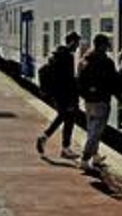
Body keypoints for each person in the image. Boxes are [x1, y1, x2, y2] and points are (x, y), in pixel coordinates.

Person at [36, 31, 85, 160]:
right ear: (72, 42)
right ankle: (60, 145)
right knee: (67, 118)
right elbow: (67, 79)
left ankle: (51, 141)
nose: (78, 47)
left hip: (57, 94)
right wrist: (72, 98)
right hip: (65, 95)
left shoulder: (57, 54)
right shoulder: (67, 56)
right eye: (77, 44)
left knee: (64, 117)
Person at [76, 33, 119, 170]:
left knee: (92, 128)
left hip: (89, 101)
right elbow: (114, 82)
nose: (107, 48)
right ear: (102, 46)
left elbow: (79, 81)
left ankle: (95, 157)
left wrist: (86, 94)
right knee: (96, 131)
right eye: (106, 45)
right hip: (101, 101)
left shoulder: (84, 60)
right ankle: (85, 159)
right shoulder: (107, 62)